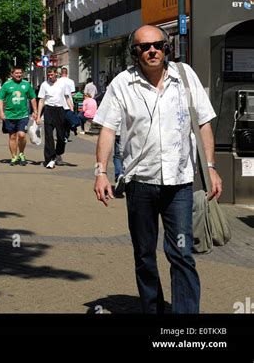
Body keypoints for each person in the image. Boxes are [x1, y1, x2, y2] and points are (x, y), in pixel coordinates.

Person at [93, 25, 222, 314]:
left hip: (179, 183)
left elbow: (203, 123)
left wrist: (210, 167)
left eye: (157, 45)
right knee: (144, 255)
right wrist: (100, 171)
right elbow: (108, 129)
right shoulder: (122, 84)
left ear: (167, 48)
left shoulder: (185, 76)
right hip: (140, 183)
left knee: (182, 254)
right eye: (144, 47)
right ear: (134, 52)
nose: (152, 50)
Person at [0, 66, 37, 166]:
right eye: (16, 73)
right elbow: (0, 99)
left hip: (23, 115)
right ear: (12, 74)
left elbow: (32, 98)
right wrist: (1, 112)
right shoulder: (6, 85)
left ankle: (22, 153)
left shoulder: (26, 84)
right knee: (12, 136)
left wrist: (35, 111)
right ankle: (14, 157)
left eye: (20, 73)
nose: (19, 75)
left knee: (22, 135)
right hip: (9, 115)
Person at [36, 68, 73, 168]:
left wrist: (71, 108)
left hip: (60, 110)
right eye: (49, 75)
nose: (50, 76)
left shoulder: (62, 84)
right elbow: (41, 100)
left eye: (52, 74)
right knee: (48, 136)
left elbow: (67, 97)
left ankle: (58, 153)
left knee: (61, 136)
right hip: (48, 110)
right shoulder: (44, 85)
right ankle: (50, 159)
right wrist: (38, 116)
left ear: (56, 74)